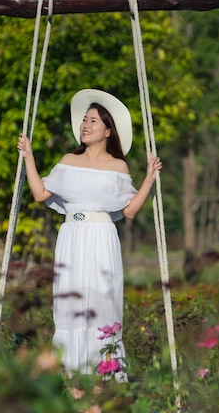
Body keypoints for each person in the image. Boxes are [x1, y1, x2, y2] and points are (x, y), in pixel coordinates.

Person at [16, 89, 162, 386]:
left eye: (92, 121)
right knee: (69, 305)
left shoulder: (118, 167)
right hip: (72, 236)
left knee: (102, 301)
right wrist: (28, 158)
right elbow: (40, 193)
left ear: (108, 130)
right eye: (84, 120)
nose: (85, 125)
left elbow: (130, 210)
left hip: (101, 238)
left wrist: (148, 179)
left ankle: (105, 380)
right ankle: (72, 380)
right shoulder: (69, 160)